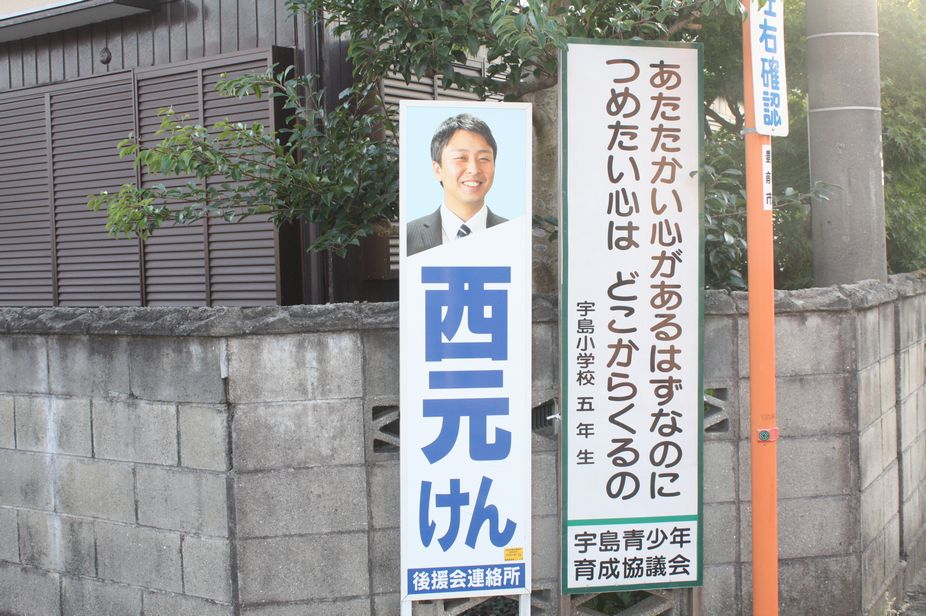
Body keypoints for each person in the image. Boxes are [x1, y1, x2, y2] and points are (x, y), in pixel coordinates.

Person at [406, 113, 507, 256]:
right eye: (461, 157)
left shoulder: (515, 234)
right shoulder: (408, 236)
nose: (474, 169)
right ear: (438, 170)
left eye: (484, 158)